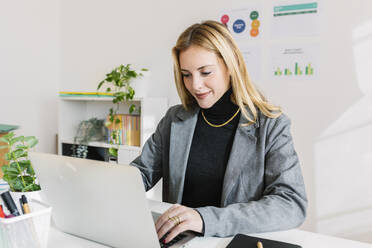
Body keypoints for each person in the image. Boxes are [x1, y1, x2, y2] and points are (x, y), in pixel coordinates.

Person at [130, 20, 307, 244]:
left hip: (230, 242)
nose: (195, 85)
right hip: (181, 243)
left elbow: (291, 204)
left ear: (230, 66)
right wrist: (104, 186)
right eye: (186, 74)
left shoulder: (271, 125)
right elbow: (141, 174)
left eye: (205, 72)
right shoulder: (174, 120)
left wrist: (205, 219)